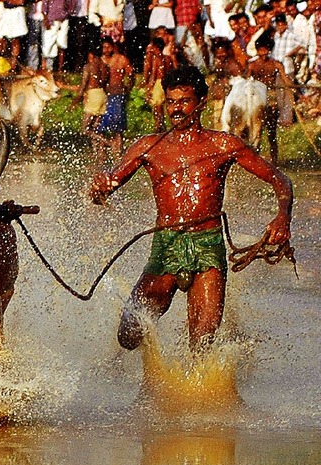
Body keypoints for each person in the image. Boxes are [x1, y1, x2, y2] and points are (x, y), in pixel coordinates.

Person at [89, 66, 293, 353]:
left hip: (207, 245)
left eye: (184, 101)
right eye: (171, 102)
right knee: (129, 335)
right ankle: (149, 375)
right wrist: (99, 188)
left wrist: (283, 216)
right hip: (167, 244)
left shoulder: (224, 144)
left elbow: (279, 178)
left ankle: (219, 374)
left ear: (201, 102)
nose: (176, 109)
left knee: (202, 347)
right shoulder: (147, 147)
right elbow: (108, 185)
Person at [248, 30, 295, 163]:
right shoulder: (252, 65)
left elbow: (286, 80)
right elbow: (247, 82)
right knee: (255, 130)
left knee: (271, 130)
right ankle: (253, 158)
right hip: (257, 95)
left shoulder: (276, 64)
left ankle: (274, 159)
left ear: (269, 50)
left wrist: (294, 90)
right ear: (257, 50)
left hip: (271, 95)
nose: (263, 53)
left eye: (265, 50)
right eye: (260, 50)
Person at [97, 36, 133, 158]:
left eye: (108, 47)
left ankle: (118, 154)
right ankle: (101, 155)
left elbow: (131, 75)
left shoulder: (121, 59)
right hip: (103, 96)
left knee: (118, 127)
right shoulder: (100, 61)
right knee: (101, 127)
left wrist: (127, 89)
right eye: (104, 47)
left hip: (118, 95)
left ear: (113, 47)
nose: (106, 50)